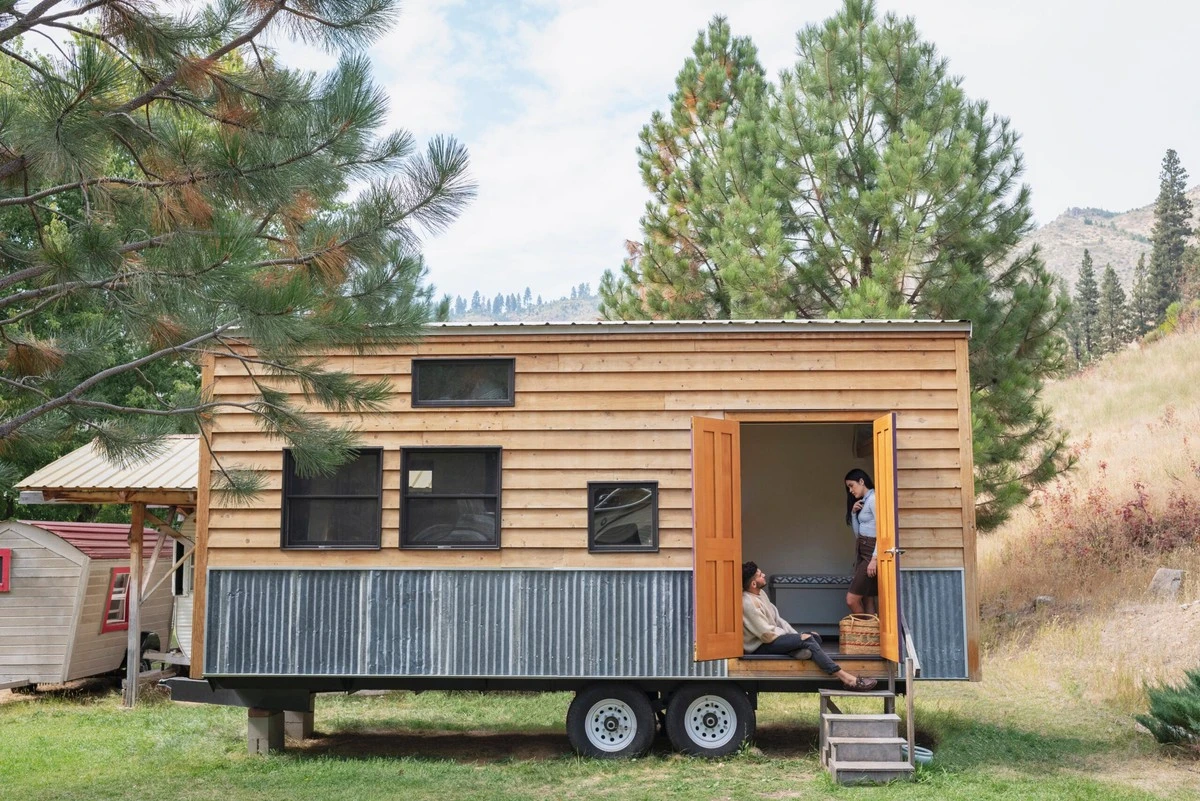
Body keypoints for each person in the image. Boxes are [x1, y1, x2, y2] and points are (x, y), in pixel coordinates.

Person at [742, 562, 878, 691]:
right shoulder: (748, 602)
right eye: (760, 575)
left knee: (814, 637)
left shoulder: (761, 594)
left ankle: (798, 650)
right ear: (754, 583)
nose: (764, 575)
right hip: (762, 645)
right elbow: (766, 634)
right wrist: (798, 639)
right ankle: (847, 679)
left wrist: (796, 637)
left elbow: (778, 620)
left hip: (775, 637)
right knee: (808, 641)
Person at [844, 468, 877, 615]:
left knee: (852, 599)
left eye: (852, 485)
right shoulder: (863, 502)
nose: (850, 490)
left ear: (861, 481)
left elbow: (882, 532)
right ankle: (871, 635)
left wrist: (874, 559)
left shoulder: (874, 499)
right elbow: (858, 535)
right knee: (867, 598)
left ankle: (865, 634)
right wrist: (853, 513)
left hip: (871, 552)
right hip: (862, 550)